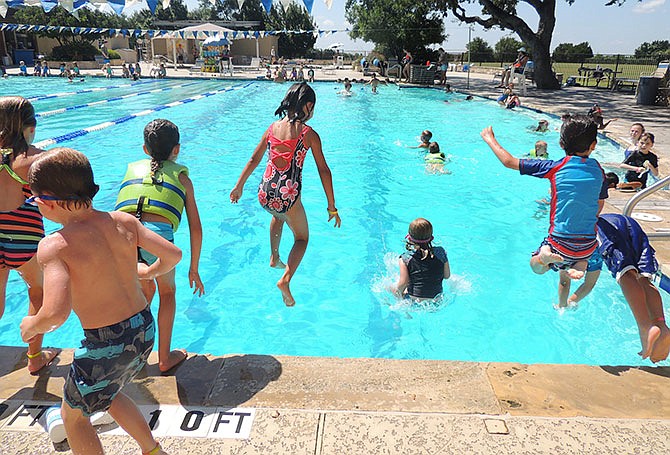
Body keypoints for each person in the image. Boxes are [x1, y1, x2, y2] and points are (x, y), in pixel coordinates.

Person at [20, 147, 180, 455]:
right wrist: (146, 272)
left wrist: (31, 326)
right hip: (143, 330)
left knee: (74, 416)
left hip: (106, 342)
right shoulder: (123, 221)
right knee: (109, 392)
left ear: (48, 201)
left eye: (34, 198)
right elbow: (173, 255)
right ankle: (153, 450)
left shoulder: (55, 247)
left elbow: (55, 314)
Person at [230, 83, 341, 307]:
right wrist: (332, 206)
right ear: (308, 106)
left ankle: (274, 257)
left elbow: (254, 158)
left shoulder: (272, 128)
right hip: (288, 195)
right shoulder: (309, 134)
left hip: (264, 192)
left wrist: (239, 186)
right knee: (302, 238)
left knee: (278, 213)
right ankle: (286, 280)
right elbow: (324, 170)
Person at [115, 119, 204, 373]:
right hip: (157, 240)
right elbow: (195, 227)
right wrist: (194, 268)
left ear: (145, 149)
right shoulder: (183, 179)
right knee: (166, 293)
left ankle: (133, 354)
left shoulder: (132, 169)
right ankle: (164, 358)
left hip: (124, 237)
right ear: (176, 149)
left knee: (141, 294)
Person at [481, 114, 609, 281]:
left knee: (536, 267)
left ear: (561, 144)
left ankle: (544, 256)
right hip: (588, 244)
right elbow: (599, 206)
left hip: (559, 242)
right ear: (593, 145)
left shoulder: (555, 167)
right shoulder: (599, 172)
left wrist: (490, 139)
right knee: (583, 255)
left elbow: (509, 161)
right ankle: (580, 265)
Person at [0, 96, 60, 375]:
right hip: (24, 239)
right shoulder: (35, 160)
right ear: (28, 126)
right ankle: (34, 356)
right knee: (37, 291)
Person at [556, 172, 619, 308]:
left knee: (564, 279)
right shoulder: (595, 214)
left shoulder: (568, 216)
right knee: (589, 283)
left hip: (570, 245)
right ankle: (571, 303)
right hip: (593, 246)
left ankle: (561, 307)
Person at [393, 218, 450, 301]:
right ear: (431, 237)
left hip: (415, 299)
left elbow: (403, 282)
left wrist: (398, 295)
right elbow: (447, 276)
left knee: (389, 287)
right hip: (436, 299)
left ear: (409, 238)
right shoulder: (441, 252)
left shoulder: (405, 258)